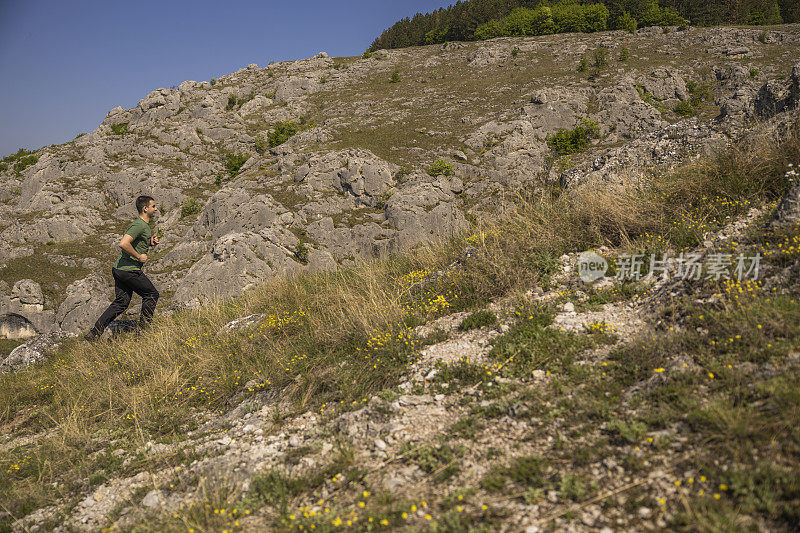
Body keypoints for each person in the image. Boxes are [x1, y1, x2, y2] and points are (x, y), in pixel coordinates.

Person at [85, 195, 160, 339]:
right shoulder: (139, 225)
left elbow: (136, 241)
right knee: (151, 294)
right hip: (129, 270)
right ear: (145, 208)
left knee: (122, 302)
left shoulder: (143, 225)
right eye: (153, 206)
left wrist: (150, 242)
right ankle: (143, 333)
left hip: (119, 269)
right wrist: (139, 256)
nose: (156, 209)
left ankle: (94, 333)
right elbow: (124, 243)